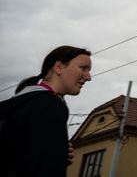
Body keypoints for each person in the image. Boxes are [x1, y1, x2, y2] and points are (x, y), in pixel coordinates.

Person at [0, 45, 92, 177]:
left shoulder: (24, 101)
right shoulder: (50, 105)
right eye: (83, 68)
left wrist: (55, 153)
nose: (89, 77)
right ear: (59, 67)